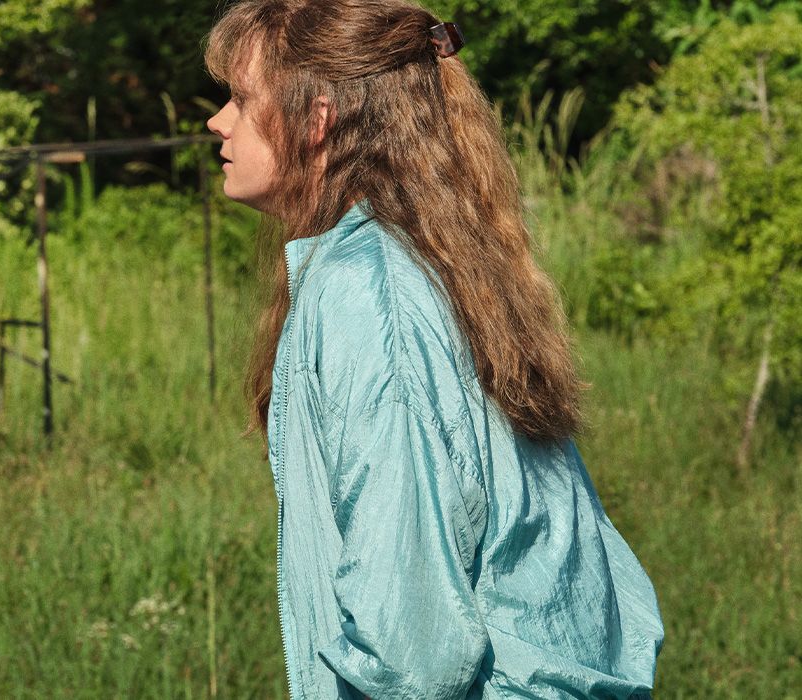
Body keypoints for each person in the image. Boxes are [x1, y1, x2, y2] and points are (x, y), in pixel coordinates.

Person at [203, 0, 664, 697]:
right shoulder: (415, 260)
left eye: (241, 98)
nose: (218, 121)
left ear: (318, 117)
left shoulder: (371, 292)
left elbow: (411, 647)